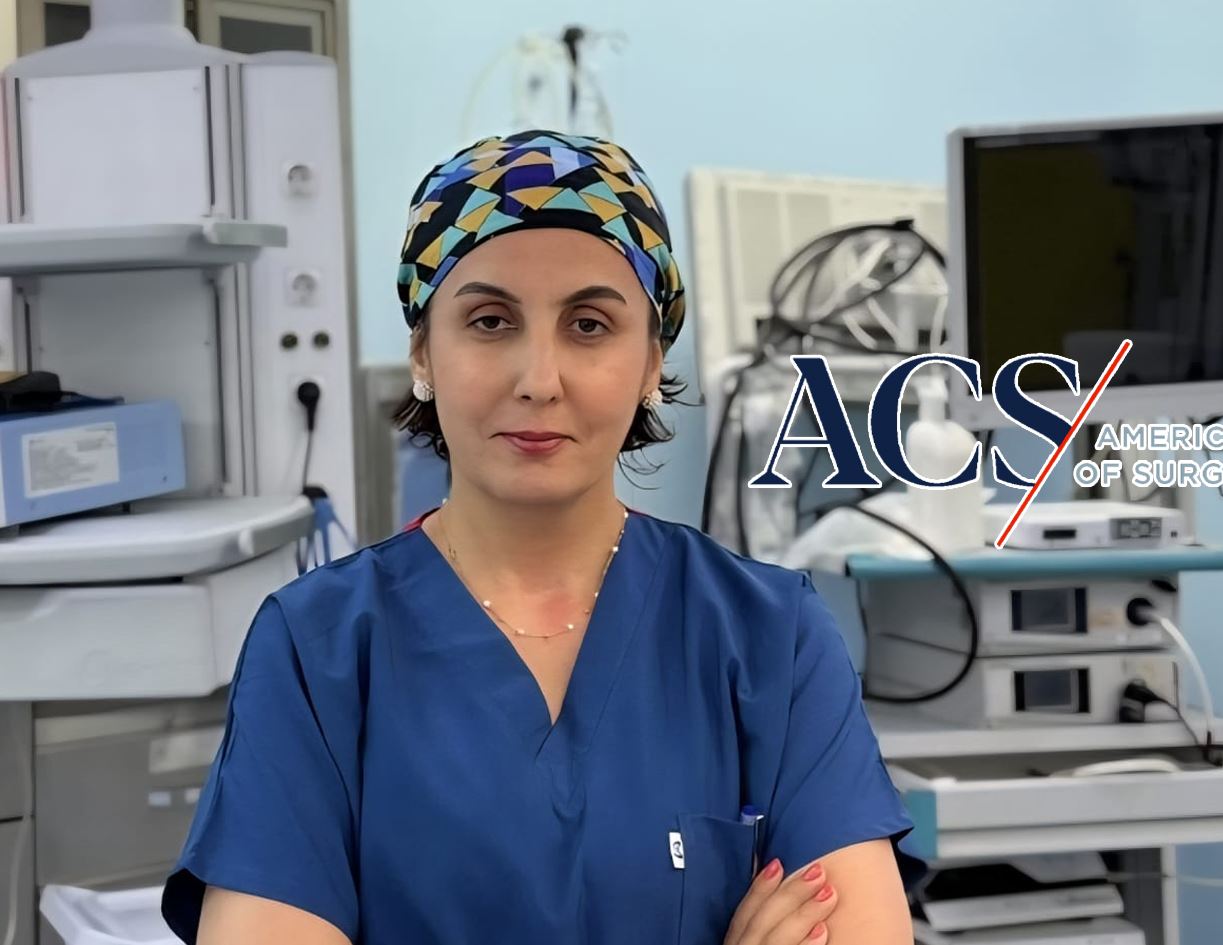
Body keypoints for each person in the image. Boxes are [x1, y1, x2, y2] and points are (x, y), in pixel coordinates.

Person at [160, 130, 918, 945]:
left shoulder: (771, 635)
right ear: (424, 354)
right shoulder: (318, 651)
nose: (539, 379)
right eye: (490, 320)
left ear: (650, 362)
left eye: (589, 325)